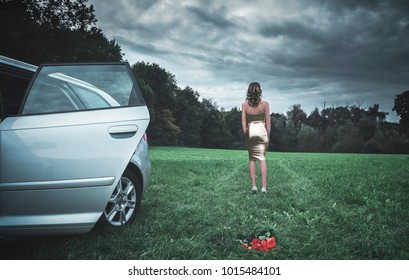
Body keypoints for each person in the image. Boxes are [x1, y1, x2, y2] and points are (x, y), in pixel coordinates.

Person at [241, 82, 271, 193]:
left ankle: (254, 186)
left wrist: (246, 134)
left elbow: (243, 123)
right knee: (262, 159)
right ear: (260, 91)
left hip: (251, 131)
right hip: (262, 131)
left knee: (252, 159)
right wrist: (267, 136)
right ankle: (263, 187)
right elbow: (268, 123)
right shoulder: (265, 104)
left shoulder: (244, 105)